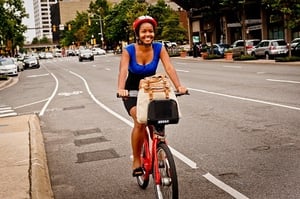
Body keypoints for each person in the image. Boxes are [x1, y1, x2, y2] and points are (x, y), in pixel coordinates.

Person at [117, 15, 187, 177]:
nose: (148, 35)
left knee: (158, 122)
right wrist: (121, 89)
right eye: (143, 32)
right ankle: (136, 160)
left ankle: (159, 150)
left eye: (150, 31)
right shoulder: (129, 50)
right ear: (137, 33)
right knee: (140, 122)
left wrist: (179, 86)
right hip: (132, 92)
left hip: (151, 89)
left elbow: (169, 67)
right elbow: (122, 71)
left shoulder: (159, 48)